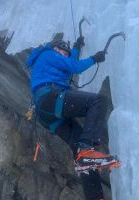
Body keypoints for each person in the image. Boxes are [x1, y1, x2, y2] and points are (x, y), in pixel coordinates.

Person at [27, 35, 111, 199]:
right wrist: (95, 58)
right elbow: (74, 66)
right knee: (98, 101)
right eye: (63, 52)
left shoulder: (51, 61)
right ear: (55, 48)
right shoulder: (48, 53)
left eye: (66, 53)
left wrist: (77, 46)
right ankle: (87, 146)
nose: (64, 55)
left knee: (80, 151)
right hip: (50, 97)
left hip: (47, 114)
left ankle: (94, 196)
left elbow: (69, 61)